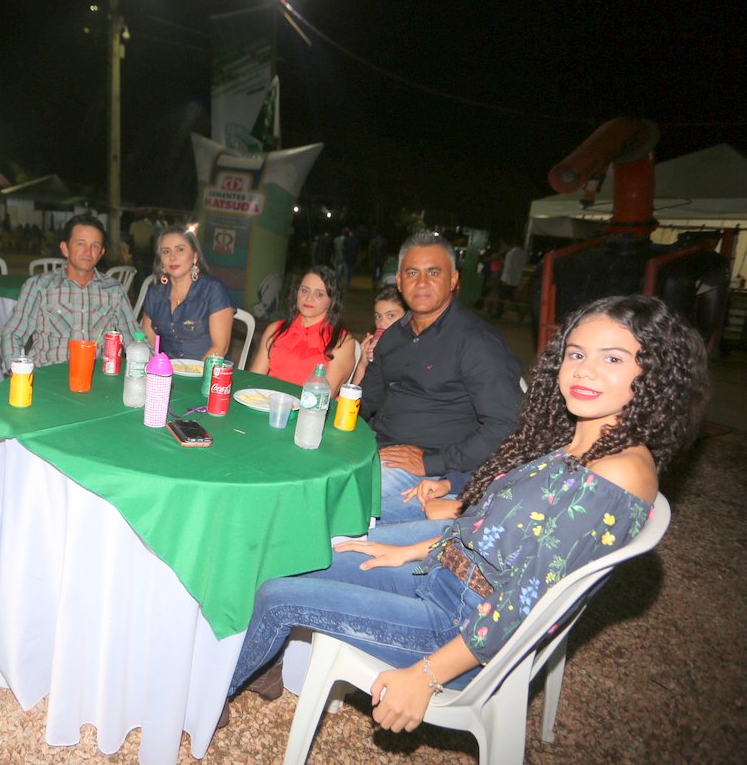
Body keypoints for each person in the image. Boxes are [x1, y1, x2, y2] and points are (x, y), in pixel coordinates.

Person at [228, 294, 710, 733]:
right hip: (445, 579)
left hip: (457, 631)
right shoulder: (579, 442)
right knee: (302, 555)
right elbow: (491, 527)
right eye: (577, 354)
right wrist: (409, 552)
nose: (585, 371)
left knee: (278, 595)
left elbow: (527, 605)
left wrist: (425, 676)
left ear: (654, 371)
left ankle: (217, 692)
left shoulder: (619, 473)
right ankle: (265, 660)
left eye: (613, 358)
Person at [362, 231, 523, 524]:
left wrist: (431, 462)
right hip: (377, 449)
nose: (422, 282)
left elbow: (507, 426)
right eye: (412, 273)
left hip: (434, 472)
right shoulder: (394, 336)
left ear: (453, 280)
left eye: (434, 272)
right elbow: (369, 396)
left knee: (343, 500)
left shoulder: (476, 343)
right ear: (399, 281)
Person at [0, 213, 137, 368]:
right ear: (65, 249)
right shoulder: (40, 287)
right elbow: (12, 334)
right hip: (49, 375)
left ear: (101, 253)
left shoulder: (113, 290)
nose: (88, 251)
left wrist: (153, 370)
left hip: (96, 377)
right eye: (80, 244)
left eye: (95, 246)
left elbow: (134, 338)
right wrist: (18, 372)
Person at [249, 266, 356, 395]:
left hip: (309, 405)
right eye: (304, 290)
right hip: (266, 401)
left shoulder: (341, 342)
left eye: (319, 294)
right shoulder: (275, 329)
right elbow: (254, 381)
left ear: (331, 301)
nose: (309, 298)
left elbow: (324, 397)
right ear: (296, 293)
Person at [141, 226, 233, 360]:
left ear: (195, 256)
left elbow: (220, 347)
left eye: (180, 249)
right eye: (166, 251)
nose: (172, 257)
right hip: (169, 369)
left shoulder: (213, 290)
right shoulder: (155, 294)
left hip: (208, 369)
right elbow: (147, 344)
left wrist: (194, 371)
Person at [349, 285, 406, 384]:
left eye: (391, 315)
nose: (382, 323)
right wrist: (363, 362)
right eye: (378, 316)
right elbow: (356, 391)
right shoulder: (377, 350)